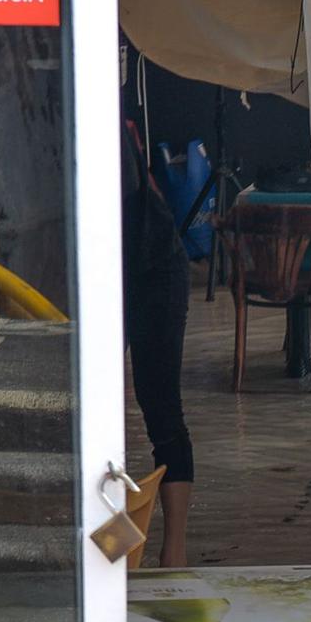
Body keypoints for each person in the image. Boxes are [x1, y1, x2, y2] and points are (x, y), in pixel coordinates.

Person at [121, 119, 194, 567]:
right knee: (93, 418)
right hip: (112, 273)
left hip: (155, 270)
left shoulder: (111, 140)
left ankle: (175, 549)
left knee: (161, 405)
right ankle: (114, 551)